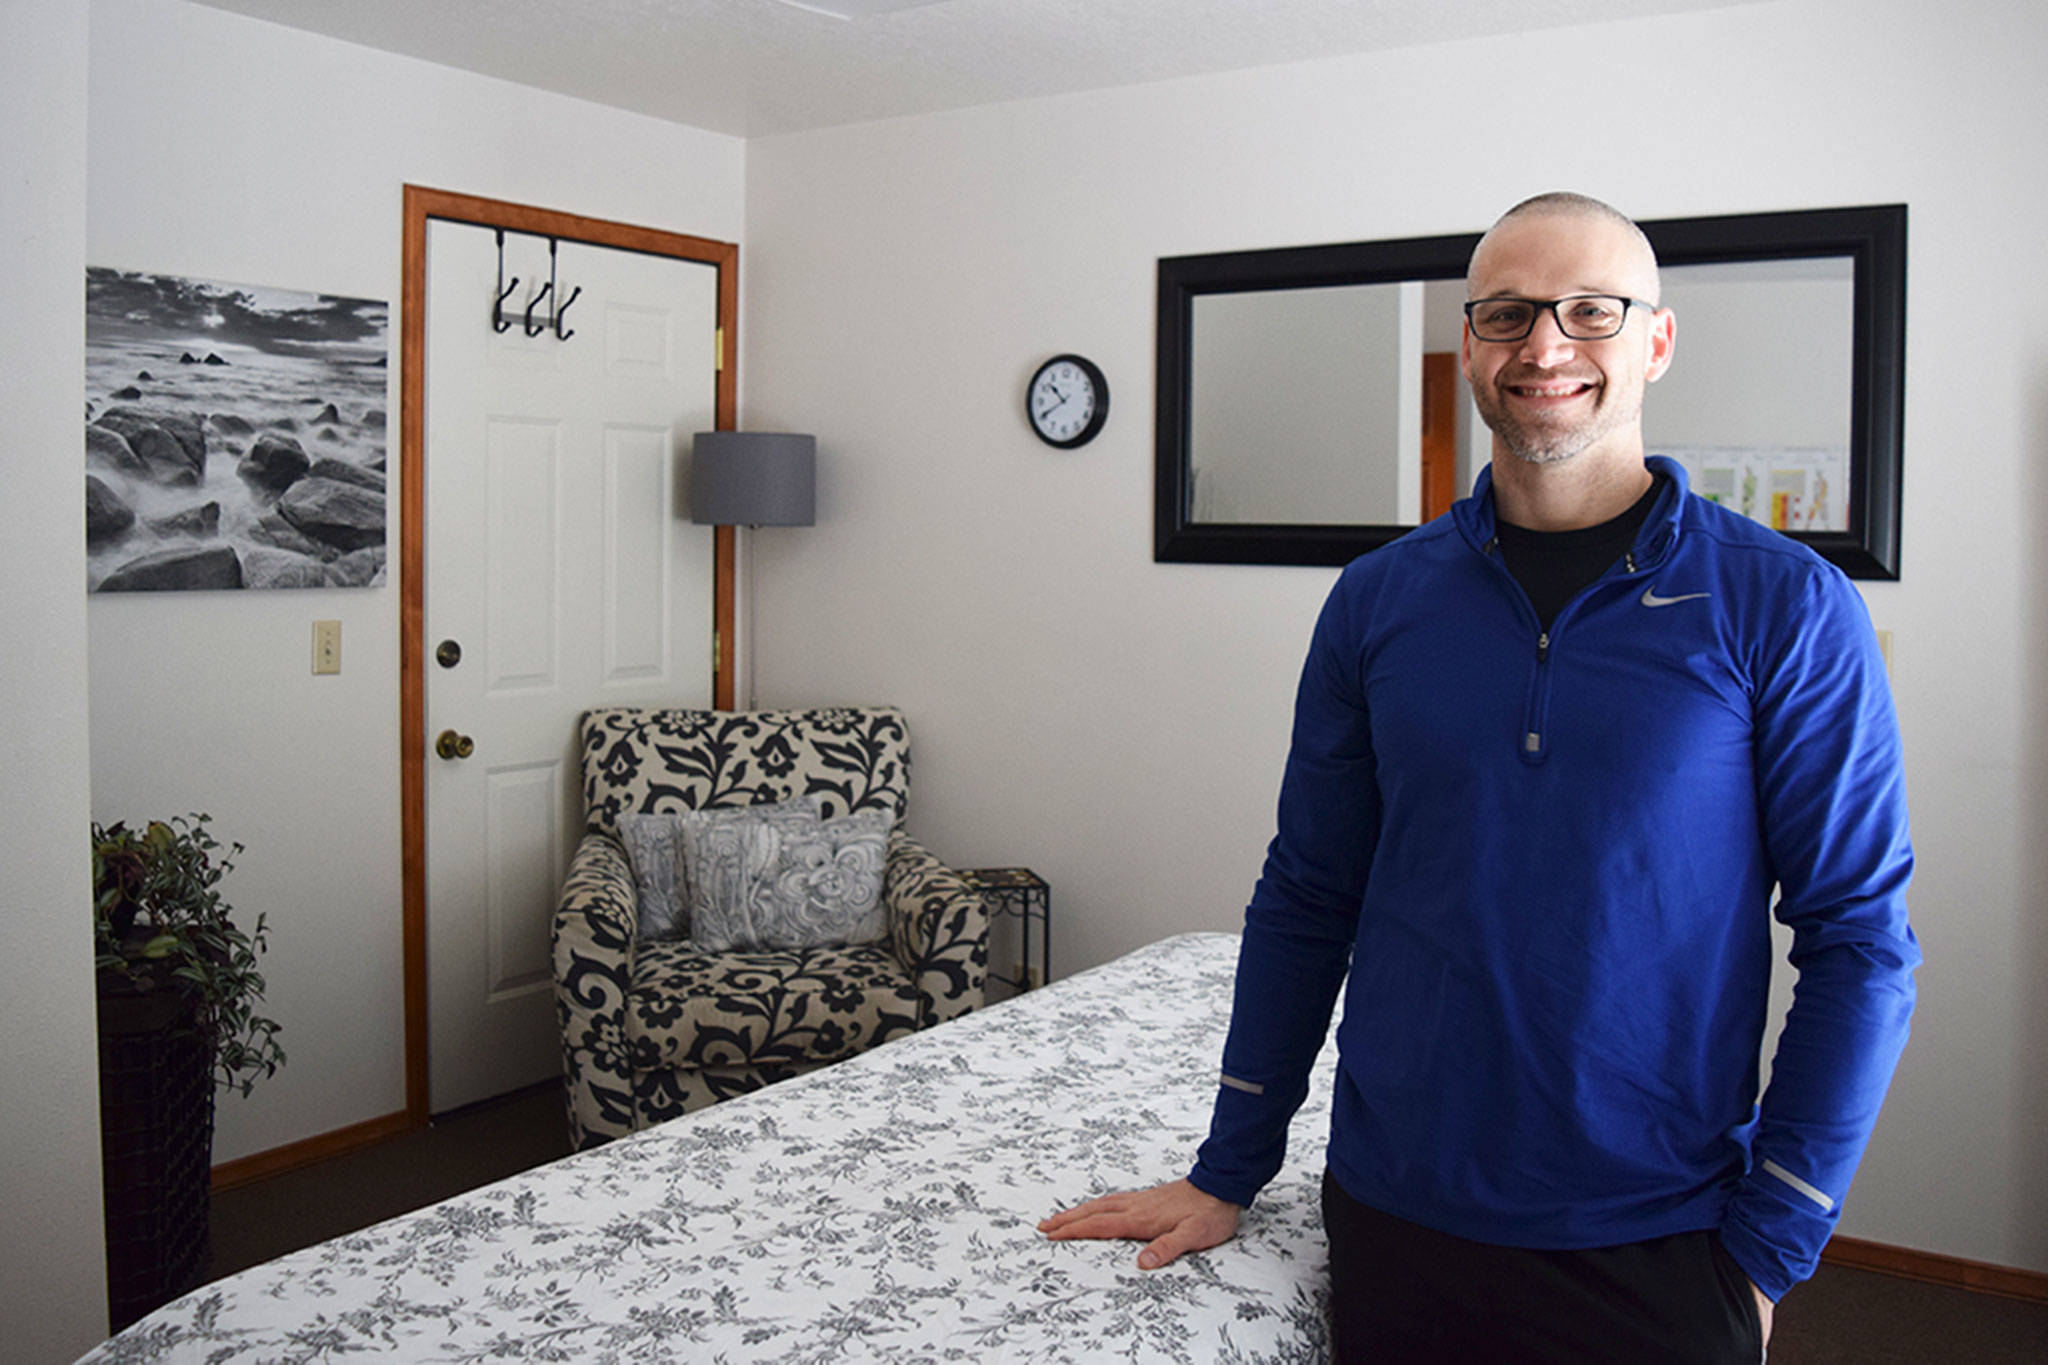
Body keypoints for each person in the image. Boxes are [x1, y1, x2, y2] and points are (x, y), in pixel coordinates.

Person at [1040, 192, 1918, 1364]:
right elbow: (1307, 893)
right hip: (1396, 1212)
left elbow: (1858, 939)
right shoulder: (1378, 599)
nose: (1544, 347)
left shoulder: (1782, 603)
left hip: (1655, 1236)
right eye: (1506, 315)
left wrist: (1775, 1239)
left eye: (1589, 312)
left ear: (1653, 340)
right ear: (1470, 346)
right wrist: (1228, 1167)